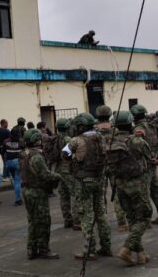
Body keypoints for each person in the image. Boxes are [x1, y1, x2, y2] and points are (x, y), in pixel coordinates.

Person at [107, 111, 153, 265]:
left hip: (120, 185)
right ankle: (126, 249)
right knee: (145, 216)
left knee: (132, 218)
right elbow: (151, 157)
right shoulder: (137, 141)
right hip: (137, 184)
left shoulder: (110, 142)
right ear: (130, 123)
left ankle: (140, 254)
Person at [67, 113, 111, 260]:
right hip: (100, 179)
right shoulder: (101, 138)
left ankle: (89, 250)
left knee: (86, 215)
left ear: (80, 126)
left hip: (84, 182)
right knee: (101, 214)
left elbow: (64, 154)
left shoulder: (76, 141)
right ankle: (106, 246)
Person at [20, 129, 61, 259]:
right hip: (37, 191)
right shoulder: (36, 157)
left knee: (32, 221)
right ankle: (44, 249)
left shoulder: (23, 154)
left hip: (27, 190)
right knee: (43, 221)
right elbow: (45, 175)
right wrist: (58, 176)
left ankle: (31, 248)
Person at [131, 105, 158, 224]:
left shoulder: (138, 129)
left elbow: (137, 147)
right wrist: (156, 158)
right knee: (156, 191)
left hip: (143, 165)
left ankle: (145, 220)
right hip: (153, 163)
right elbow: (157, 143)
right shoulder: (151, 126)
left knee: (143, 193)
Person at [94, 105, 126, 231]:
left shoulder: (94, 131)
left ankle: (103, 222)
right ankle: (122, 223)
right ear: (109, 115)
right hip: (114, 164)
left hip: (100, 166)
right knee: (118, 193)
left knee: (100, 195)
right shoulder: (115, 130)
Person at [50, 118, 79, 230]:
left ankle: (67, 220)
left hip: (58, 169)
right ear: (67, 127)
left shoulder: (54, 138)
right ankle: (76, 221)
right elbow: (71, 154)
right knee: (74, 194)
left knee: (63, 195)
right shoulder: (68, 139)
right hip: (68, 169)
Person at [3, 128, 24, 206]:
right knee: (17, 182)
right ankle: (18, 200)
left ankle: (18, 197)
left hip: (9, 163)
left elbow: (3, 151)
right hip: (17, 162)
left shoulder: (6, 141)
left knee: (15, 181)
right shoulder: (20, 141)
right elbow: (24, 150)